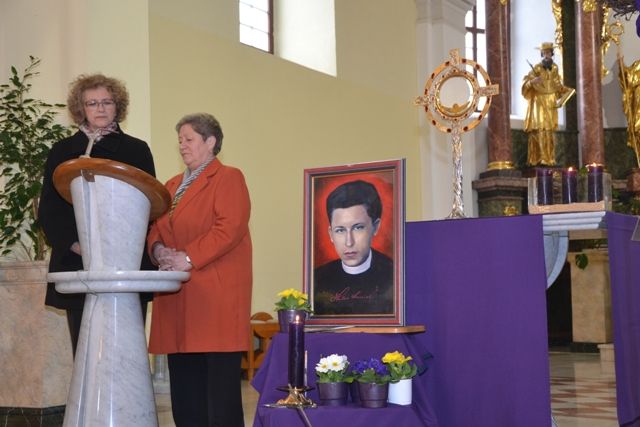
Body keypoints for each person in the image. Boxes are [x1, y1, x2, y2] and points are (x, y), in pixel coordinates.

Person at [38, 73, 156, 356]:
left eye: (107, 102)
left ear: (118, 106)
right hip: (78, 260)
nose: (100, 108)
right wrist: (76, 244)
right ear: (81, 109)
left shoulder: (137, 150)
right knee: (86, 351)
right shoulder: (62, 151)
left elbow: (149, 205)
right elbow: (50, 209)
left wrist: (120, 245)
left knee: (126, 352)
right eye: (92, 103)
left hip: (125, 262)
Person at [147, 113, 252, 427]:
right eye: (180, 140)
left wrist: (188, 257)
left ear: (211, 142)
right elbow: (154, 228)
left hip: (214, 300)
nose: (182, 145)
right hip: (177, 299)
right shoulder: (170, 186)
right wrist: (158, 250)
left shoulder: (228, 177)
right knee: (185, 394)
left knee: (219, 399)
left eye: (189, 139)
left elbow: (229, 227)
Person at [313, 180, 394, 316]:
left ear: (375, 227)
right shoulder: (317, 278)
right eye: (340, 230)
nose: (349, 242)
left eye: (358, 228)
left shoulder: (394, 273)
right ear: (331, 234)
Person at [522, 42, 574, 166]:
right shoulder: (536, 68)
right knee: (540, 128)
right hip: (539, 101)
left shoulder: (555, 68)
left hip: (551, 102)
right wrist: (532, 82)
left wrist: (568, 91)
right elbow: (526, 84)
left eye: (549, 53)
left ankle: (550, 158)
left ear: (552, 54)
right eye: (544, 53)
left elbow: (557, 85)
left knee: (549, 130)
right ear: (542, 54)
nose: (547, 55)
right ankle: (539, 158)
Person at [617, 53, 640, 166]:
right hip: (638, 101)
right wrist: (621, 66)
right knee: (638, 130)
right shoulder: (638, 65)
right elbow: (628, 79)